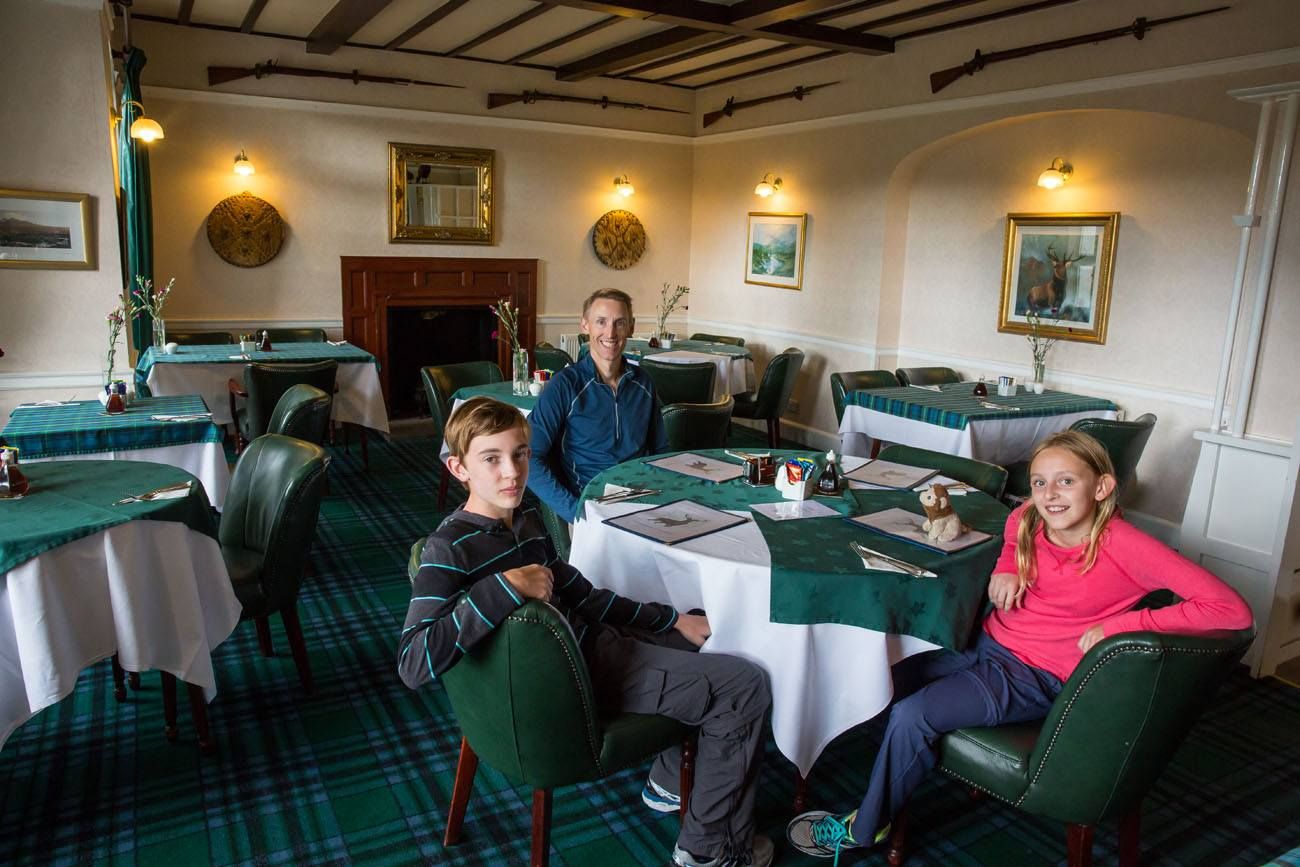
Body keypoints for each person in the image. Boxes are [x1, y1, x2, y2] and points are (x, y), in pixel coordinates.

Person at [787, 429, 1252, 862]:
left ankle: (869, 827)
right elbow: (1016, 520)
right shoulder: (1034, 514)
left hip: (1037, 674)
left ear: (1103, 487)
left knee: (914, 714)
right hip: (988, 643)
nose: (1050, 495)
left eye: (1067, 481)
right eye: (1040, 482)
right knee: (881, 673)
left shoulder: (1124, 545)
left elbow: (1230, 610)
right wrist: (1008, 562)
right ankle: (891, 774)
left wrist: (1127, 625)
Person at [398, 397, 773, 867]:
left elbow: (585, 595)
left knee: (701, 625)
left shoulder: (528, 523)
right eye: (491, 459)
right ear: (459, 468)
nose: (511, 472)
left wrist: (673, 619)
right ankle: (711, 849)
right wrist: (502, 588)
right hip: (576, 684)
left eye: (520, 454)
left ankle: (666, 778)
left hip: (593, 647)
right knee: (744, 686)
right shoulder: (449, 548)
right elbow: (413, 662)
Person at [527, 288, 667, 522]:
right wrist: (576, 512)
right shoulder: (565, 385)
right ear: (585, 326)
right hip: (592, 504)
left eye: (619, 323)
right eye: (601, 322)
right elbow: (529, 457)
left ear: (631, 327)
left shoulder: (644, 382)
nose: (610, 333)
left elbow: (661, 451)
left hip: (646, 500)